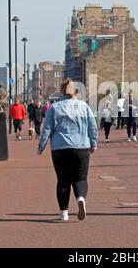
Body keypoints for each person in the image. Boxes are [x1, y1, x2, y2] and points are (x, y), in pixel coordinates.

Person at [38, 79, 98, 222]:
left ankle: (63, 213)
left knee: (63, 180)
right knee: (80, 178)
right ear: (76, 92)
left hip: (60, 148)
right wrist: (93, 143)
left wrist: (41, 146)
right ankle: (81, 198)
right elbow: (92, 126)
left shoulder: (54, 107)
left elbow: (47, 128)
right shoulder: (84, 106)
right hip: (81, 146)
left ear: (62, 91)